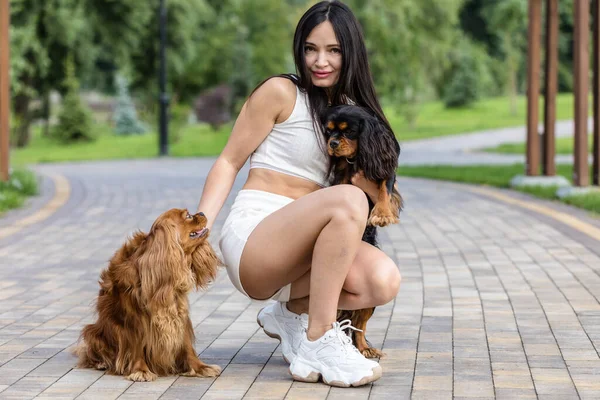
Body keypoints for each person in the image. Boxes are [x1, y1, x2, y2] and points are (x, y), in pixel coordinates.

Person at [196, 0, 401, 387]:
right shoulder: (280, 92)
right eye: (311, 48)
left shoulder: (352, 115)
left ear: (351, 52)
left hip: (307, 253)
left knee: (383, 279)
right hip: (257, 240)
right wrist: (200, 223)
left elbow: (378, 182)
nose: (319, 61)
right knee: (348, 199)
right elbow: (228, 161)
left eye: (333, 50)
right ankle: (320, 338)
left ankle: (293, 314)